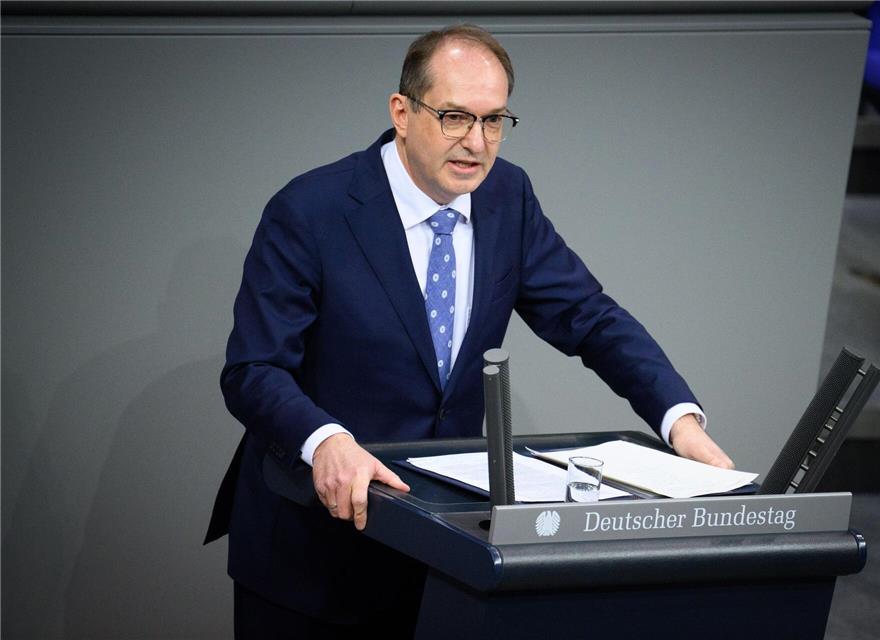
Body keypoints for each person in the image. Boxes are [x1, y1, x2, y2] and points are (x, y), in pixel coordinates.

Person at [207, 23, 734, 639]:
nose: (477, 143)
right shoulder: (311, 209)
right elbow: (253, 370)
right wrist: (324, 441)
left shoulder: (507, 197)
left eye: (494, 121)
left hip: (440, 549)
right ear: (402, 112)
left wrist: (680, 421)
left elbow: (588, 316)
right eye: (455, 117)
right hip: (311, 552)